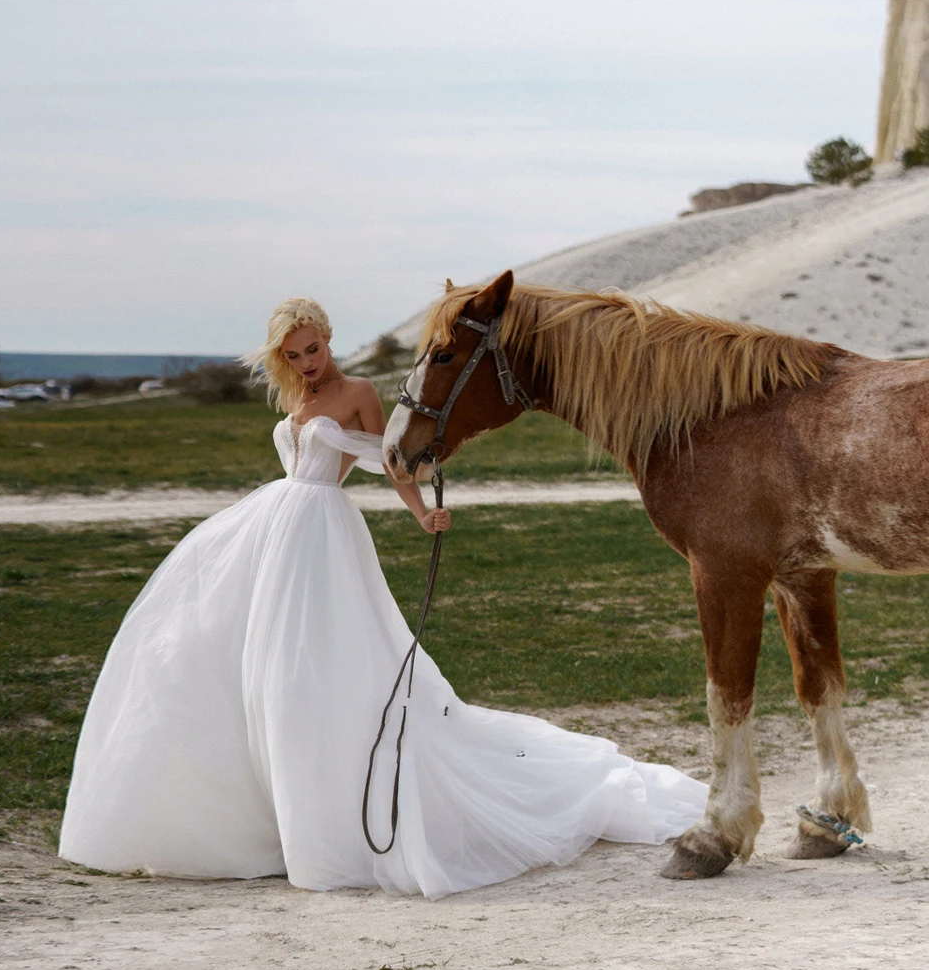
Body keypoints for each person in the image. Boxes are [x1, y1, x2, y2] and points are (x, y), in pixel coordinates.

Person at [59, 296, 707, 899]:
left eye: (311, 349)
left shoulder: (360, 393)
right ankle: (269, 815)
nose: (306, 363)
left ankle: (330, 821)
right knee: (249, 662)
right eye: (293, 355)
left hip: (322, 531)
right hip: (274, 529)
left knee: (316, 666)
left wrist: (423, 511)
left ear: (328, 340)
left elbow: (394, 459)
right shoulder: (298, 401)